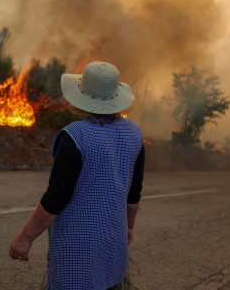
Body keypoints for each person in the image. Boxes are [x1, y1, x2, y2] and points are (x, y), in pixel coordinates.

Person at [9, 61, 145, 290]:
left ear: (82, 98)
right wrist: (129, 227)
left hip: (78, 247)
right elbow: (134, 192)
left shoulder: (75, 136)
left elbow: (56, 197)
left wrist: (25, 237)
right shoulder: (134, 133)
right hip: (113, 242)